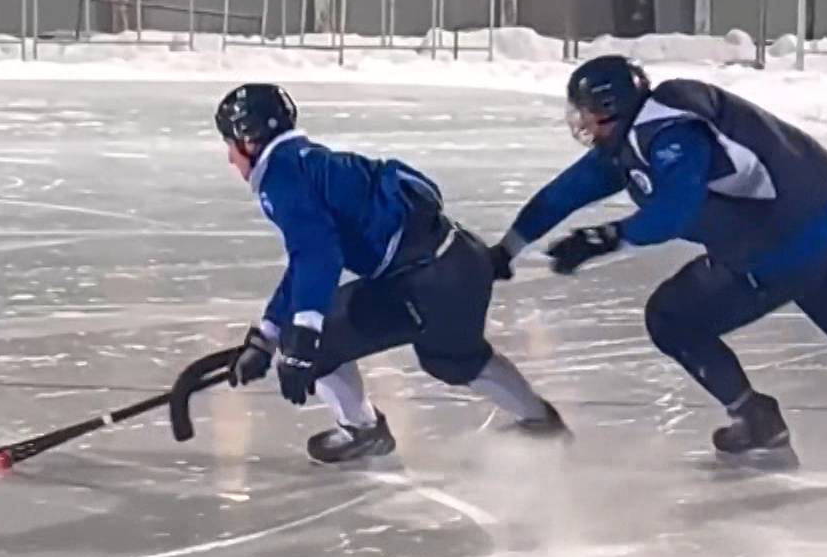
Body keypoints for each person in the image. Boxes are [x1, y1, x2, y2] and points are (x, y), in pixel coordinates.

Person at [493, 56, 827, 465]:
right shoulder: (644, 129)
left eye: (588, 113)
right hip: (820, 222)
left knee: (673, 318)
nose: (584, 124)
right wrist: (509, 248)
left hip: (774, 253)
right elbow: (565, 193)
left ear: (611, 108)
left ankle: (755, 420)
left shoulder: (671, 135)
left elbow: (674, 208)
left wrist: (609, 237)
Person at [215, 83, 567, 464]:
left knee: (320, 342)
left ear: (249, 140)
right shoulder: (308, 161)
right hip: (462, 262)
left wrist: (300, 335)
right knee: (453, 359)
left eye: (229, 144)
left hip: (425, 283)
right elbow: (308, 261)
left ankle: (362, 431)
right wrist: (266, 334)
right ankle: (542, 423)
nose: (230, 158)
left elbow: (317, 255)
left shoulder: (281, 177)